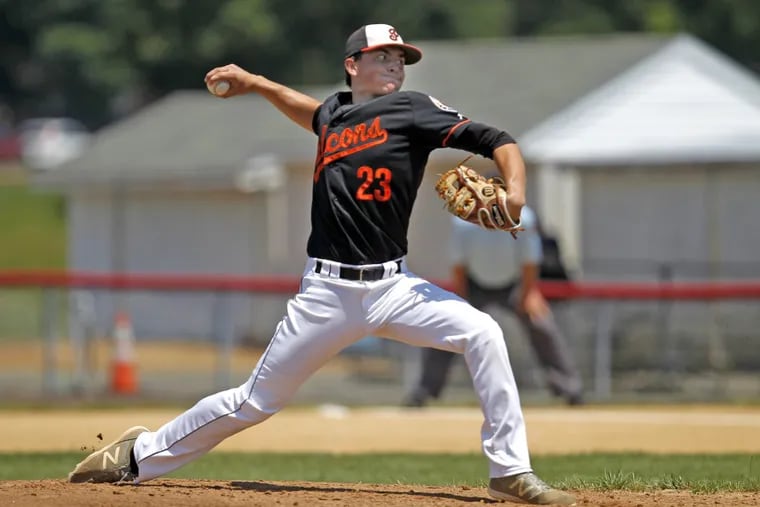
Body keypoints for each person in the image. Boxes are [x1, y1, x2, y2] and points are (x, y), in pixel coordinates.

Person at [67, 24, 575, 505]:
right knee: (254, 403)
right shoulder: (335, 112)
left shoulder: (414, 110)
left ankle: (509, 471)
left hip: (394, 288)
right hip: (326, 294)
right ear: (353, 65)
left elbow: (497, 139)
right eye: (382, 56)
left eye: (400, 58)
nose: (395, 64)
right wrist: (257, 83)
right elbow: (312, 114)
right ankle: (137, 455)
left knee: (483, 332)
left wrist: (514, 191)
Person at [403, 206, 584, 408]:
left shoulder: (523, 218)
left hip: (514, 284)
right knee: (447, 327)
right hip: (474, 284)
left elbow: (529, 261)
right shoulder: (464, 221)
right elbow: (459, 265)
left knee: (540, 324)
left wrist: (529, 294)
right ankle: (424, 391)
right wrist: (461, 304)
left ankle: (570, 388)